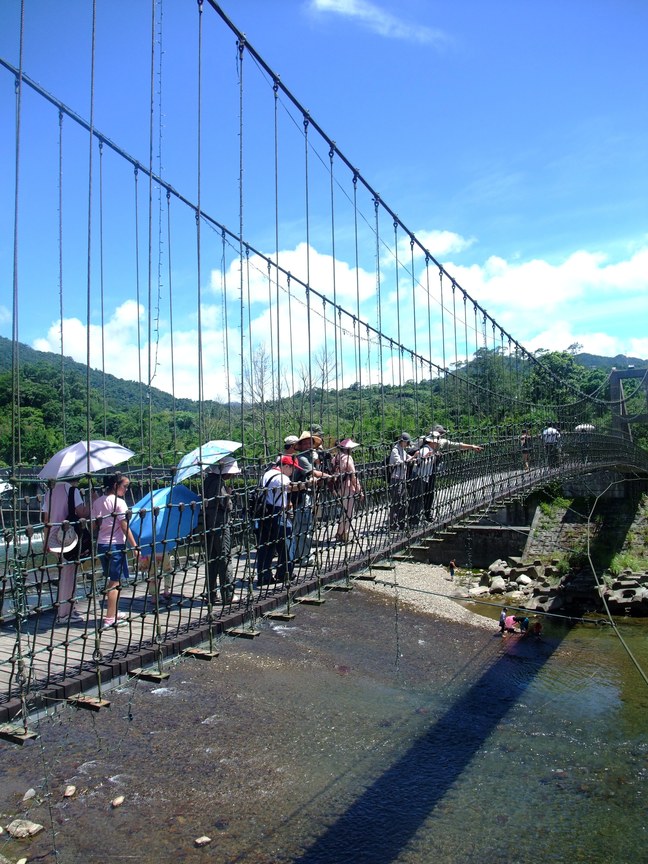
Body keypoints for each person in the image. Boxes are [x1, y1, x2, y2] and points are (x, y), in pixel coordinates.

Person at [91, 473, 137, 628]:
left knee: (113, 579)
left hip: (102, 545)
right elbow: (124, 526)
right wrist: (134, 546)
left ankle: (114, 611)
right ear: (116, 486)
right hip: (116, 545)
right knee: (115, 582)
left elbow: (94, 526)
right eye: (125, 486)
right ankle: (110, 618)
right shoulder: (120, 503)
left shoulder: (98, 502)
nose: (126, 489)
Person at [42, 477, 89, 624]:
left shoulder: (49, 492)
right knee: (69, 575)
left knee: (64, 573)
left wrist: (45, 541)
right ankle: (64, 614)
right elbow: (81, 512)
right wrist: (93, 502)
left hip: (54, 537)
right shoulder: (71, 490)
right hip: (68, 537)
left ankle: (67, 609)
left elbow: (46, 519)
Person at [291, 430, 330, 566]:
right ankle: (304, 558)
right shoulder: (302, 458)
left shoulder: (309, 457)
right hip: (302, 495)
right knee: (304, 527)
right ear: (300, 446)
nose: (308, 445)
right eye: (305, 443)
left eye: (310, 443)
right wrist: (330, 476)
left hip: (306, 494)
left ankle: (299, 555)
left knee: (301, 527)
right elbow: (313, 473)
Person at [204, 455, 239, 605]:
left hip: (208, 524)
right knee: (224, 558)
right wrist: (229, 494)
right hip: (220, 524)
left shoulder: (207, 480)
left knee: (212, 559)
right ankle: (228, 594)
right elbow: (226, 505)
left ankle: (211, 594)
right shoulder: (219, 483)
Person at [255, 456, 296, 586]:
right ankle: (284, 573)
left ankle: (264, 576)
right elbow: (291, 487)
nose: (292, 472)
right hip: (277, 512)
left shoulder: (267, 474)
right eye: (292, 469)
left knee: (266, 546)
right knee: (287, 543)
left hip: (265, 512)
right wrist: (309, 484)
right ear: (286, 466)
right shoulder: (281, 477)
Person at [332, 438, 363, 544]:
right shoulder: (348, 458)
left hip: (338, 487)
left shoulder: (336, 458)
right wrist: (359, 490)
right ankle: (343, 534)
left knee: (345, 511)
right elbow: (353, 475)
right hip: (347, 487)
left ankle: (340, 532)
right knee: (349, 512)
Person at [388, 433, 414, 530]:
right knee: (396, 500)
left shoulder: (402, 450)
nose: (408, 444)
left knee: (402, 500)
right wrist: (410, 459)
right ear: (402, 441)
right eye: (407, 442)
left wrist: (415, 456)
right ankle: (393, 525)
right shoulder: (395, 450)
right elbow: (399, 462)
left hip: (402, 478)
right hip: (396, 478)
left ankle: (401, 523)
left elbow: (408, 458)